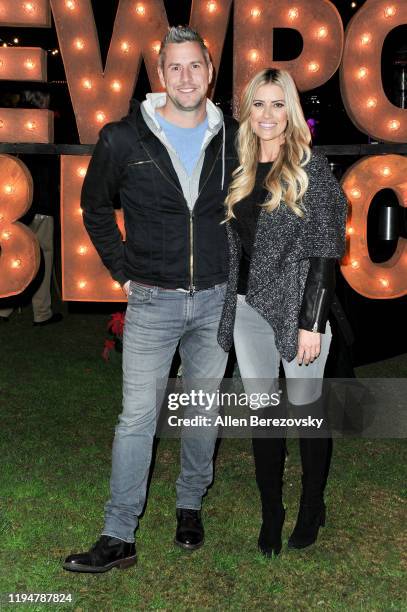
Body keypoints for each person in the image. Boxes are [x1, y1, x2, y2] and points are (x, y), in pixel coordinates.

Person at [63, 26, 238, 573]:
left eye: (196, 67)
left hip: (214, 299)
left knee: (201, 413)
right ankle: (119, 534)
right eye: (175, 67)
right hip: (152, 303)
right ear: (160, 75)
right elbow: (95, 208)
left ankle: (190, 505)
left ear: (210, 73)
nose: (186, 77)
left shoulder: (234, 136)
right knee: (136, 419)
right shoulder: (122, 138)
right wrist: (123, 272)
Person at [218, 68, 347, 557]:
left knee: (308, 413)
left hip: (299, 310)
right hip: (249, 309)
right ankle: (272, 513)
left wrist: (311, 322)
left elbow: (326, 249)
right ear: (246, 111)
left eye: (277, 105)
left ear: (289, 111)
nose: (267, 115)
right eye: (258, 104)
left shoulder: (313, 170)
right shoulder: (241, 169)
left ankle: (312, 505)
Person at [0, 90, 62, 326]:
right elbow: (47, 169)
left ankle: (4, 307)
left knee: (13, 255)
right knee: (42, 255)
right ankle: (42, 312)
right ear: (43, 98)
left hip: (11, 202)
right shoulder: (43, 123)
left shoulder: (9, 118)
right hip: (40, 202)